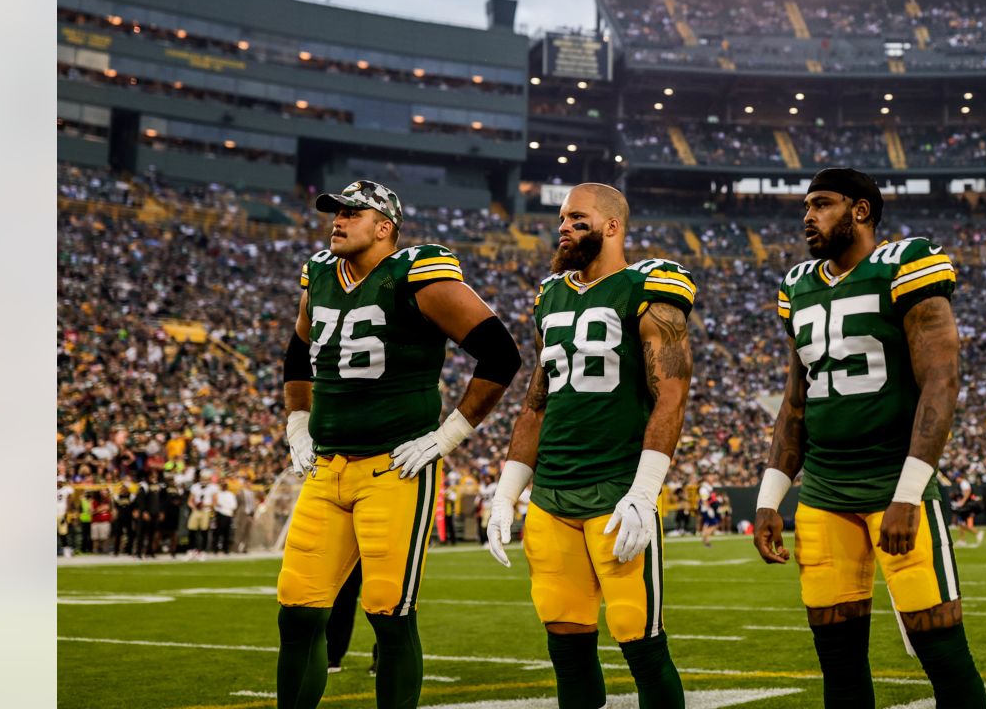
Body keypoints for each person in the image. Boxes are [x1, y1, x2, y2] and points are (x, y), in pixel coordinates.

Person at [276, 179, 521, 709]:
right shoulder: (318, 274)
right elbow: (298, 353)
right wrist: (298, 424)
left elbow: (501, 354)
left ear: (384, 227)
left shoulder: (417, 273)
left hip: (394, 467)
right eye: (334, 212)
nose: (336, 220)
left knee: (388, 612)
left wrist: (447, 436)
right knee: (296, 612)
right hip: (325, 467)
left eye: (352, 213)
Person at [752, 168, 986, 707]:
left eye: (822, 204)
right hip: (824, 495)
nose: (808, 216)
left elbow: (942, 379)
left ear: (860, 210)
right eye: (806, 206)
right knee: (839, 666)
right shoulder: (798, 286)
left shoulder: (905, 265)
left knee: (943, 654)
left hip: (892, 485)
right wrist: (770, 497)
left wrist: (908, 492)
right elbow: (796, 401)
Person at [484, 183, 694, 709]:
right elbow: (535, 402)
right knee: (567, 647)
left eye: (577, 218)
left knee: (639, 641)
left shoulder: (647, 286)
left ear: (612, 226)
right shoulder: (550, 295)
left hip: (616, 490)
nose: (563, 227)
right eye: (561, 218)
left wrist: (645, 491)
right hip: (551, 497)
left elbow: (671, 395)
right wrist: (506, 493)